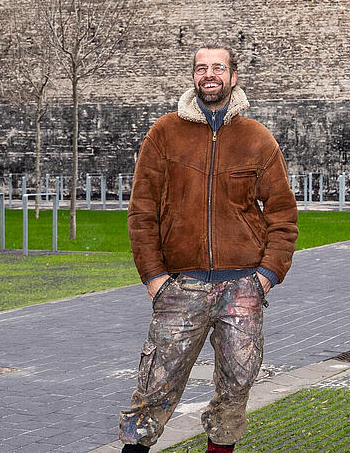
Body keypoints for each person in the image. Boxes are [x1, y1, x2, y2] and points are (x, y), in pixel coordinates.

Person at [120, 41, 299, 453]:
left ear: (234, 77)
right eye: (202, 68)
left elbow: (283, 214)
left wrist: (267, 276)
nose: (209, 75)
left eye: (218, 67)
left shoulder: (257, 139)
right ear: (194, 76)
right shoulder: (164, 134)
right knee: (155, 388)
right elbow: (141, 211)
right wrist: (154, 278)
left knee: (236, 388)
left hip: (243, 288)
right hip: (180, 288)